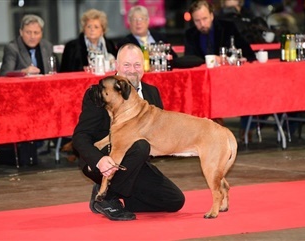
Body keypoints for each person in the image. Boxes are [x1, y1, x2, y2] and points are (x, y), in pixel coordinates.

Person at [72, 43, 185, 221]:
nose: (132, 70)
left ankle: (121, 192)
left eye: (137, 65)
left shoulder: (151, 93)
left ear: (144, 67)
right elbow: (80, 137)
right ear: (116, 67)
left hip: (134, 163)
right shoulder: (100, 92)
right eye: (126, 65)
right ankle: (106, 198)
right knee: (140, 145)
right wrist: (99, 160)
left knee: (174, 201)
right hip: (102, 160)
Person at [184, 0, 256, 63]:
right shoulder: (190, 35)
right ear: (193, 20)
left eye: (205, 19)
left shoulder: (228, 28)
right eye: (197, 21)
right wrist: (209, 60)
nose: (202, 24)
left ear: (212, 16)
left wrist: (230, 59)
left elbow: (250, 55)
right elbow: (189, 60)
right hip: (201, 76)